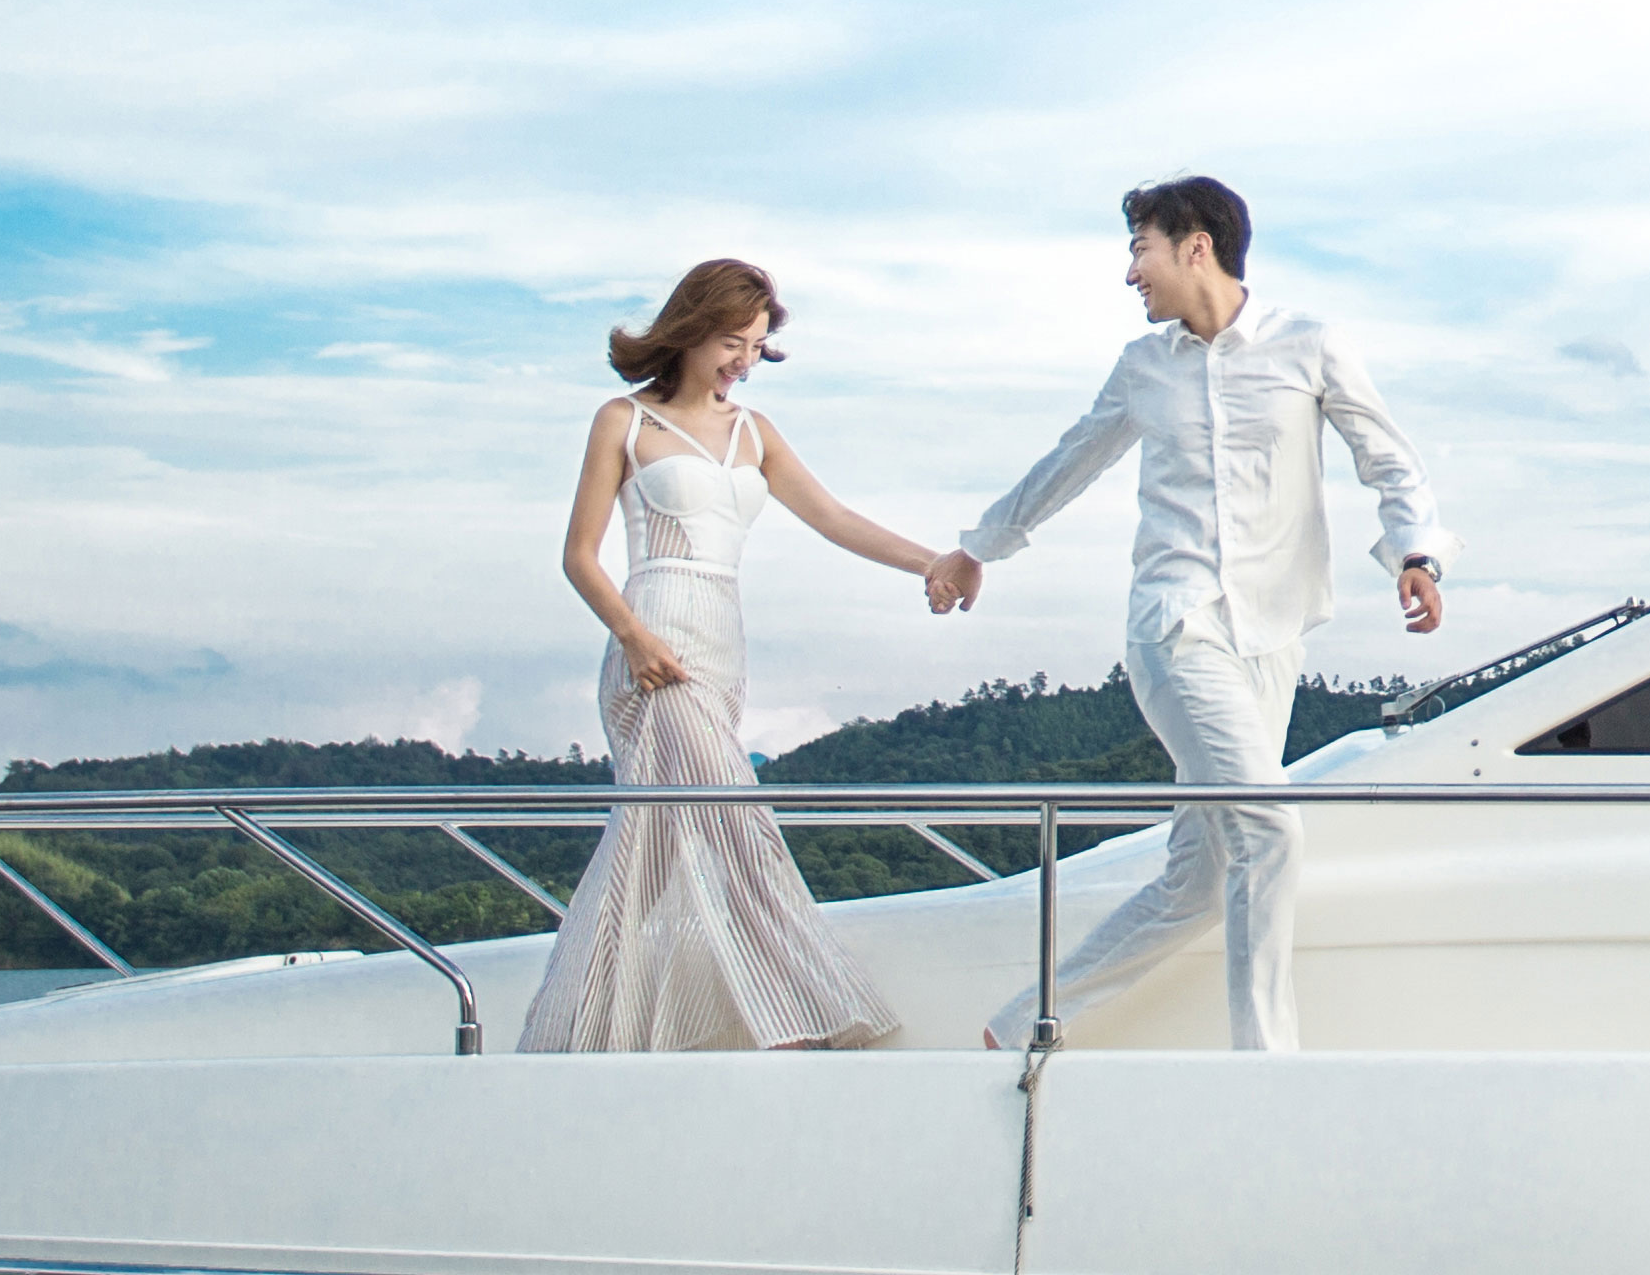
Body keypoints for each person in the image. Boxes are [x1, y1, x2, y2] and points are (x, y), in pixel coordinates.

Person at [966, 177, 1445, 1052]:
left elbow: (1390, 459)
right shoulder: (1142, 367)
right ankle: (1264, 1069)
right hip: (1175, 627)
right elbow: (1071, 460)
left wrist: (1416, 554)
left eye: (1139, 250)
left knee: (1198, 878)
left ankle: (1023, 1022)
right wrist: (979, 548)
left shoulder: (1310, 345)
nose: (1130, 274)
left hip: (1273, 635)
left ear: (1197, 247)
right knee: (1269, 827)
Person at [516, 257, 982, 1054]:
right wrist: (633, 636)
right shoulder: (623, 421)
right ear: (692, 329)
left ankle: (576, 1033)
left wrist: (934, 563)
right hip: (654, 649)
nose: (745, 361)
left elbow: (833, 517)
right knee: (736, 826)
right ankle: (806, 1016)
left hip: (722, 649)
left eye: (757, 347)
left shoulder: (754, 432)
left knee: (650, 857)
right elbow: (579, 557)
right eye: (733, 342)